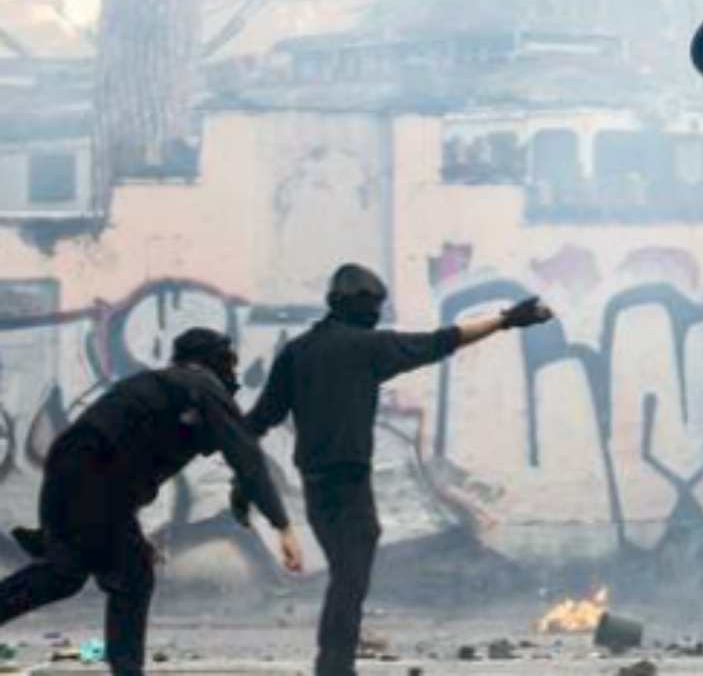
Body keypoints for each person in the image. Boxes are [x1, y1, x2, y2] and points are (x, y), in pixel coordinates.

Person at [233, 263, 552, 676]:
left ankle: (335, 663)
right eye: (375, 306)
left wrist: (243, 484)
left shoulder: (297, 352)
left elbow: (257, 421)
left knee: (345, 577)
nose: (377, 314)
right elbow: (442, 341)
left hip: (315, 487)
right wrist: (506, 320)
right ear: (364, 305)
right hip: (350, 486)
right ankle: (334, 667)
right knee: (350, 579)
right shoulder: (368, 348)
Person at [0, 328, 303, 676]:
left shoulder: (166, 386)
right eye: (229, 364)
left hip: (72, 471)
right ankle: (127, 669)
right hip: (93, 478)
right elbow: (245, 456)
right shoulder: (202, 387)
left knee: (65, 575)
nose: (234, 374)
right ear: (214, 362)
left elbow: (232, 451)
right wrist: (283, 527)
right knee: (132, 575)